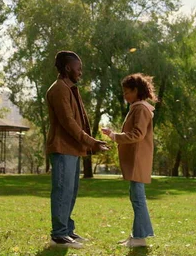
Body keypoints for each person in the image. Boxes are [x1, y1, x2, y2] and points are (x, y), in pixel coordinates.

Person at [46, 50, 109, 249]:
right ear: (67, 68)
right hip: (62, 148)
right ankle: (59, 235)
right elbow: (69, 123)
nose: (81, 72)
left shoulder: (69, 88)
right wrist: (91, 142)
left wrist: (89, 143)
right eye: (78, 68)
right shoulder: (59, 89)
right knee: (62, 191)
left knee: (70, 192)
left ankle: (67, 230)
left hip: (72, 149)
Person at [102, 73, 157, 248]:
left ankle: (140, 237)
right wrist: (114, 135)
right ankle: (136, 235)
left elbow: (137, 134)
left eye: (127, 92)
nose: (124, 96)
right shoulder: (138, 107)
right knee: (136, 197)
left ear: (136, 91)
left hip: (138, 159)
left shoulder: (140, 109)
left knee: (138, 198)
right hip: (137, 158)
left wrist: (114, 136)